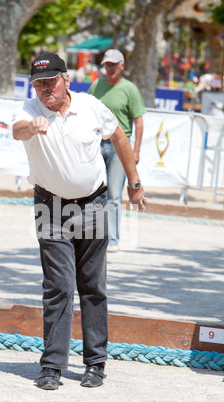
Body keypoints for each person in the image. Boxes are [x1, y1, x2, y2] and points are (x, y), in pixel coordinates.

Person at [12, 52, 147, 390]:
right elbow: (16, 130)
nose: (45, 89)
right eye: (38, 84)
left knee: (92, 284)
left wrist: (134, 183)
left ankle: (95, 363)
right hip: (50, 207)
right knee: (58, 286)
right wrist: (31, 126)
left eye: (51, 82)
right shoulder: (29, 111)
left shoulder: (89, 106)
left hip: (94, 203)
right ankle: (52, 366)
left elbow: (118, 136)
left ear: (66, 80)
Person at [88, 49, 146, 252]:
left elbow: (138, 121)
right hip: (97, 142)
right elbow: (87, 111)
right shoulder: (96, 85)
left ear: (122, 66)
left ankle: (112, 239)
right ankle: (92, 237)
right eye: (107, 64)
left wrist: (135, 150)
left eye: (113, 64)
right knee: (93, 190)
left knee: (113, 193)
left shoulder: (130, 89)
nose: (110, 68)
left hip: (120, 146)